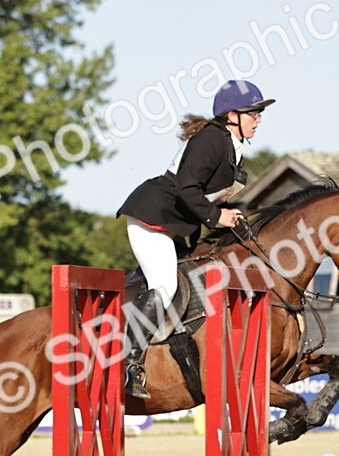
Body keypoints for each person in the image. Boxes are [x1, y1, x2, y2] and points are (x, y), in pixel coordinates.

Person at [116, 78, 274, 398]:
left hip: (175, 228)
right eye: (253, 112)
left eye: (259, 113)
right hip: (153, 219)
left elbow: (213, 196)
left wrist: (234, 219)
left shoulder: (232, 147)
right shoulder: (212, 139)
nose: (258, 118)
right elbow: (186, 189)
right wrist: (218, 218)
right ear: (232, 115)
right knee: (165, 285)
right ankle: (127, 364)